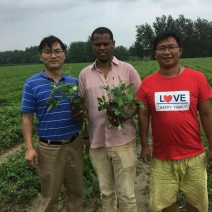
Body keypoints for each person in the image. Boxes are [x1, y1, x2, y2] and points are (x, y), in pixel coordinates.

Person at [137, 30, 212, 212]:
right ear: (155, 53)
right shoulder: (147, 83)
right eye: (161, 48)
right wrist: (145, 145)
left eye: (171, 47)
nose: (167, 52)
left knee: (196, 202)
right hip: (162, 157)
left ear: (180, 50)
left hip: (193, 154)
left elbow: (206, 114)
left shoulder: (197, 78)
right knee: (164, 202)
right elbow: (143, 115)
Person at [78, 27, 141, 212]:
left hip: (124, 142)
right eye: (98, 44)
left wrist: (126, 114)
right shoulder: (84, 74)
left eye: (106, 43)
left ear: (113, 44)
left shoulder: (127, 69)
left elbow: (140, 101)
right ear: (92, 46)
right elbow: (80, 108)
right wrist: (85, 138)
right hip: (97, 143)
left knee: (126, 194)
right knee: (106, 193)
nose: (102, 47)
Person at [21, 35, 84, 212]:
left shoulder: (73, 82)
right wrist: (29, 147)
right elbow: (27, 116)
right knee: (50, 197)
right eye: (48, 52)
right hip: (48, 149)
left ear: (64, 55)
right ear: (41, 56)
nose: (53, 56)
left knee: (76, 192)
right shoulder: (32, 84)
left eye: (57, 51)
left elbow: (80, 113)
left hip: (74, 144)